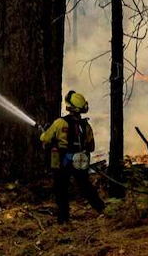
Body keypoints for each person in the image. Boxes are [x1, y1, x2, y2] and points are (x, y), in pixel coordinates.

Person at [39, 90, 105, 224]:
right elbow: (91, 147)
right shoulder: (86, 126)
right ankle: (102, 209)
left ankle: (63, 220)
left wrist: (46, 131)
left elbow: (44, 138)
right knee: (86, 186)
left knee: (61, 189)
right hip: (80, 162)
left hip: (62, 163)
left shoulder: (59, 123)